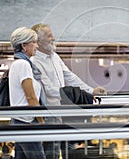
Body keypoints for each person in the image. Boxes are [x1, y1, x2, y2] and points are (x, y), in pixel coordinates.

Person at [31, 23, 106, 159]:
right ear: (39, 41)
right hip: (50, 114)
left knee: (69, 150)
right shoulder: (35, 61)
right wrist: (71, 93)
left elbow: (69, 76)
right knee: (52, 152)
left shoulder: (54, 56)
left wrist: (91, 91)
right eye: (49, 36)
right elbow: (48, 89)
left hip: (65, 111)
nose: (53, 38)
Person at [9, 27, 46, 159]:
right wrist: (42, 122)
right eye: (34, 42)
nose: (37, 45)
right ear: (24, 45)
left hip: (21, 122)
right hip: (27, 123)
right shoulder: (23, 65)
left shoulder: (20, 64)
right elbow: (31, 97)